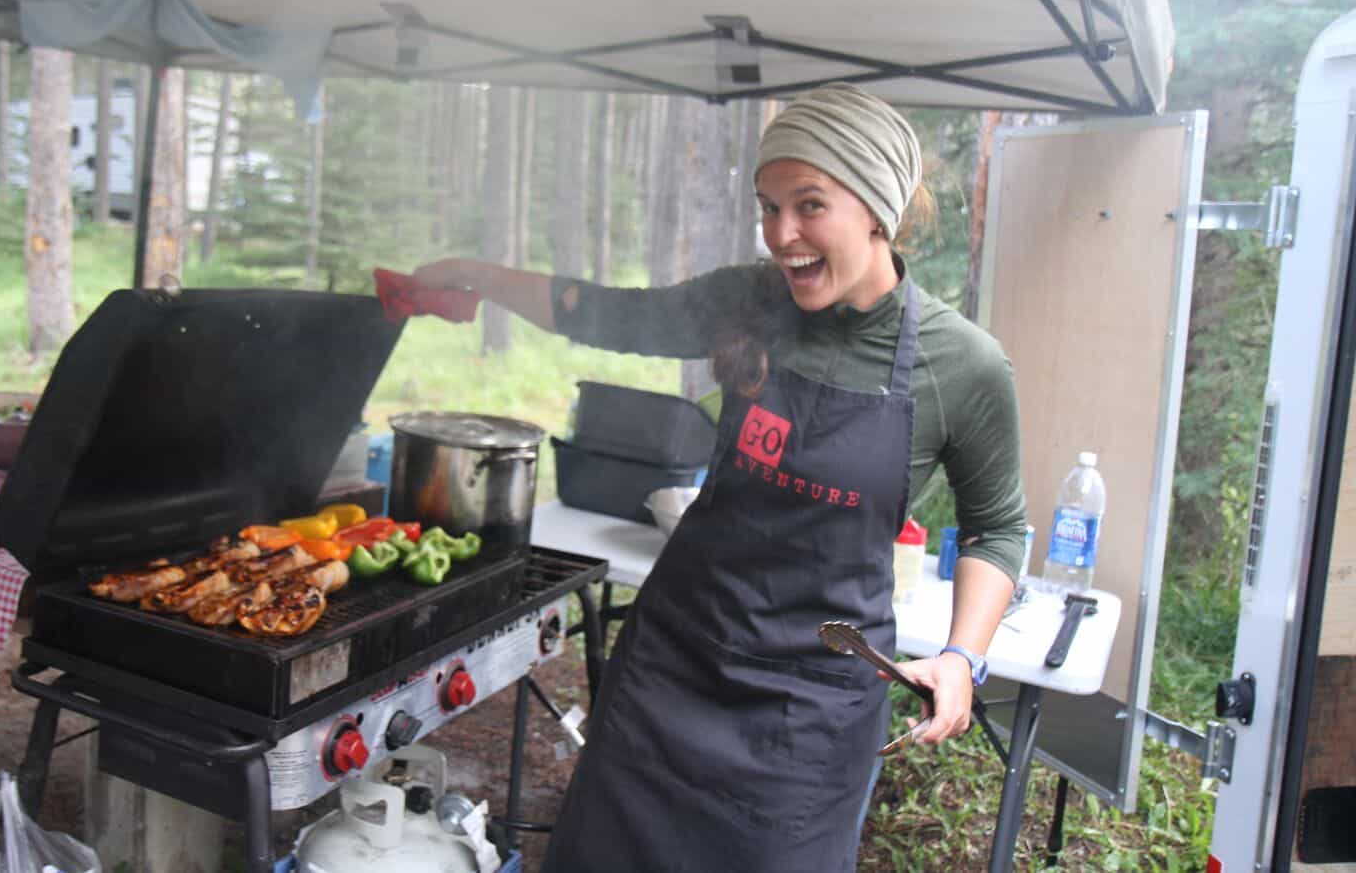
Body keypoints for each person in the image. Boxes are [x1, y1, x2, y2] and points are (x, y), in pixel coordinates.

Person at [410, 83, 1026, 871]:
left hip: (810, 716)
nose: (782, 235)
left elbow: (997, 526)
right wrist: (476, 274)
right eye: (769, 207)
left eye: (809, 206)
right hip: (674, 665)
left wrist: (962, 655)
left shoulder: (963, 364)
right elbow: (604, 311)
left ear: (876, 207)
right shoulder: (748, 301)